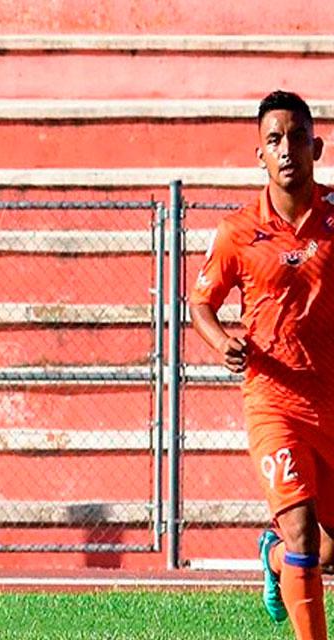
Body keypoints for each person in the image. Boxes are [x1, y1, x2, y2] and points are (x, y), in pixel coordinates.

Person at [189, 90, 334, 640]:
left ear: (316, 147)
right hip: (274, 402)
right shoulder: (238, 231)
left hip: (331, 397)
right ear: (260, 154)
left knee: (325, 550)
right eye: (274, 140)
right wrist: (220, 340)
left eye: (297, 137)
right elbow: (201, 302)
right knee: (302, 533)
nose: (286, 148)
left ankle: (272, 559)